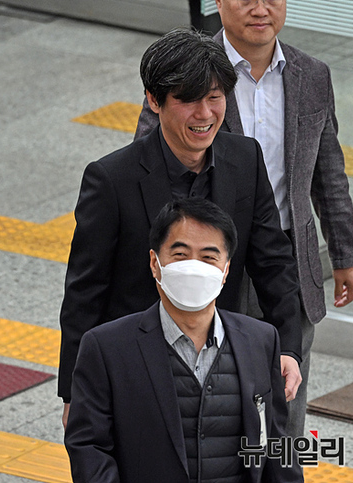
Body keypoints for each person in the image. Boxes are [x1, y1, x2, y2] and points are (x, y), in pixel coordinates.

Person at [135, 0, 353, 438]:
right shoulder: (187, 71)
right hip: (211, 260)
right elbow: (149, 167)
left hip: (286, 259)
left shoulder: (312, 74)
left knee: (287, 393)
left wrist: (345, 253)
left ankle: (283, 465)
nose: (260, 8)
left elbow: (328, 170)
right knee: (215, 398)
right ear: (218, 2)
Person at [59, 28, 303, 428]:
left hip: (222, 367)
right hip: (136, 368)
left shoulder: (245, 160)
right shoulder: (112, 179)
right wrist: (75, 391)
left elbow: (273, 262)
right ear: (154, 101)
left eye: (214, 98)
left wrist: (288, 348)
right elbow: (85, 292)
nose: (204, 114)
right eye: (188, 100)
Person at [65, 198, 303, 483]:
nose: (193, 267)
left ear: (226, 270)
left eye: (208, 257)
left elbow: (277, 444)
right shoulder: (107, 348)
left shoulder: (260, 340)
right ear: (155, 263)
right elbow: (89, 448)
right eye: (180, 254)